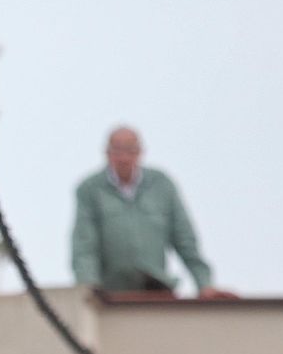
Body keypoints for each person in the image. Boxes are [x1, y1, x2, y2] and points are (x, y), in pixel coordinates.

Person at [71, 126, 231, 297]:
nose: (123, 158)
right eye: (117, 151)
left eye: (130, 151)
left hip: (156, 290)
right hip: (111, 294)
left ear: (140, 152)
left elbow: (185, 240)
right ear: (107, 153)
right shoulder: (90, 189)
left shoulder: (161, 185)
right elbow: (84, 246)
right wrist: (88, 289)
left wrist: (204, 284)